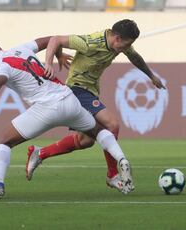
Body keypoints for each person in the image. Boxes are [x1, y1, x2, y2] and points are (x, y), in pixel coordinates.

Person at [0, 38, 134, 199]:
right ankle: (121, 158)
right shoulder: (22, 48)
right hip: (69, 99)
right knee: (98, 131)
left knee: (2, 141)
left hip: (46, 108)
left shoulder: (2, 67)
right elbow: (51, 40)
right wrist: (58, 55)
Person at [25, 19, 166, 192]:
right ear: (117, 38)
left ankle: (40, 153)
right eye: (125, 45)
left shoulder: (121, 44)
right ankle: (112, 175)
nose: (125, 49)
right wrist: (51, 60)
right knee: (112, 124)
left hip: (90, 91)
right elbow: (55, 39)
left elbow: (134, 57)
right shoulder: (91, 42)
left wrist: (151, 75)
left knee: (85, 141)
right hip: (77, 88)